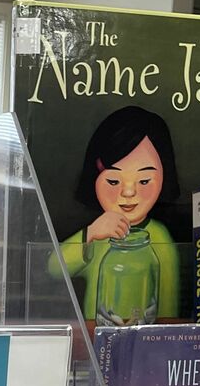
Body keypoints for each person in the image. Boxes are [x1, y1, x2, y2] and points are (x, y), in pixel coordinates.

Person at [52, 106, 183, 321]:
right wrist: (91, 233)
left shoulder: (160, 238)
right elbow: (54, 269)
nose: (129, 192)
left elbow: (169, 307)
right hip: (96, 341)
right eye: (113, 181)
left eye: (144, 181)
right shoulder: (98, 234)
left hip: (145, 342)